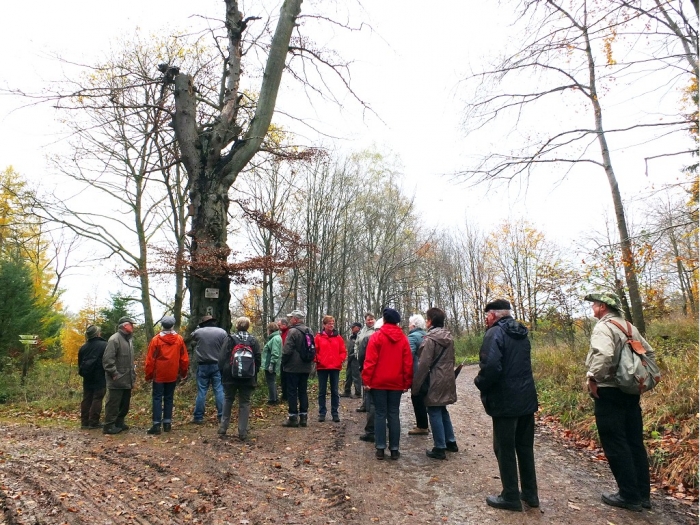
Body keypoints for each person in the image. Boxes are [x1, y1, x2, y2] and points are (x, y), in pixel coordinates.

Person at [584, 291, 654, 512]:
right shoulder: (629, 327)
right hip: (631, 392)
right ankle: (643, 496)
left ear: (603, 307)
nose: (592, 309)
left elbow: (603, 355)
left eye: (594, 305)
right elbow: (648, 353)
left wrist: (593, 378)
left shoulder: (604, 327)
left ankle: (628, 496)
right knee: (634, 442)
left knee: (615, 443)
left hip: (610, 391)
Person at [474, 299, 539, 512]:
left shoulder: (495, 333)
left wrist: (480, 382)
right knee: (524, 447)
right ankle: (530, 494)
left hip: (505, 401)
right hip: (526, 399)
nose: (485, 319)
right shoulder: (521, 332)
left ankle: (510, 495)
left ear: (494, 315)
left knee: (504, 447)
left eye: (486, 315)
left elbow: (491, 366)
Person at [361, 308, 413, 460]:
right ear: (396, 321)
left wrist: (367, 380)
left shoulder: (376, 337)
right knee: (394, 414)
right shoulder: (403, 339)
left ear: (384, 320)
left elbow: (370, 361)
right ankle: (395, 449)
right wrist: (406, 382)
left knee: (379, 414)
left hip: (378, 382)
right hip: (396, 383)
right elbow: (407, 363)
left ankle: (380, 448)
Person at [412, 308, 457, 459]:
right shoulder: (449, 337)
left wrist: (416, 385)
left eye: (427, 319)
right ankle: (451, 441)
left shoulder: (430, 339)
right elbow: (452, 359)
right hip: (447, 377)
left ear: (430, 321)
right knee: (442, 409)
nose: (426, 321)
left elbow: (424, 364)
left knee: (433, 410)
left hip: (434, 379)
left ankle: (439, 447)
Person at [218, 317, 261, 441]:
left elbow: (222, 358)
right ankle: (242, 431)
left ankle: (223, 427)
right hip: (248, 377)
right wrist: (253, 372)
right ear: (248, 326)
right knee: (245, 403)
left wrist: (223, 372)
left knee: (228, 399)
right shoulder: (253, 340)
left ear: (236, 326)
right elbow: (258, 358)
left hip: (230, 376)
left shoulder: (230, 339)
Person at [144, 316, 189, 435]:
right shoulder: (179, 339)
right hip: (172, 374)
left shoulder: (156, 340)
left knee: (157, 398)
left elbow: (150, 360)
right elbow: (184, 359)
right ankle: (167, 424)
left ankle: (156, 425)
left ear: (162, 325)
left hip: (159, 374)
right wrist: (183, 373)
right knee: (169, 398)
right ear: (172, 325)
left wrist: (148, 375)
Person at [102, 317, 137, 435]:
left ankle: (119, 422)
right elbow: (108, 360)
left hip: (127, 378)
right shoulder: (114, 339)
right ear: (125, 326)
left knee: (124, 403)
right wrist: (114, 373)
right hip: (116, 378)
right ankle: (109, 426)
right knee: (113, 403)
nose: (133, 326)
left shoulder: (129, 340)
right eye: (131, 325)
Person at [190, 315, 226, 424]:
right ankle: (221, 416)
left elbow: (191, 336)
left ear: (203, 323)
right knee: (219, 390)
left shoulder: (199, 332)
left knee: (202, 391)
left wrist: (198, 327)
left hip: (203, 365)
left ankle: (198, 417)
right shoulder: (222, 332)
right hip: (217, 364)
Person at [280, 310, 314, 428]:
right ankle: (304, 417)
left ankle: (293, 417)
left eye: (291, 318)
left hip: (293, 367)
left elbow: (287, 349)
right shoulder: (309, 330)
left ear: (295, 319)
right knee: (303, 391)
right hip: (305, 366)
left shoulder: (292, 331)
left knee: (292, 392)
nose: (290, 320)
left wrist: (283, 361)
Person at [314, 315, 347, 422]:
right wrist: (318, 360)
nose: (331, 325)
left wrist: (339, 360)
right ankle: (322, 413)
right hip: (322, 368)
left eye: (333, 323)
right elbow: (314, 351)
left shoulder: (338, 338)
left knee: (335, 391)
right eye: (329, 323)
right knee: (322, 391)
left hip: (335, 368)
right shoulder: (318, 337)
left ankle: (335, 413)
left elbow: (343, 351)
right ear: (324, 325)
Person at [357, 318, 383, 443]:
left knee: (372, 404)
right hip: (390, 378)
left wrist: (363, 372)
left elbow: (362, 357)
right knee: (390, 407)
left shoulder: (369, 339)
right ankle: (384, 430)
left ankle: (371, 431)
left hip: (373, 375)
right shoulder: (398, 339)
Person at [77, 325, 107, 430]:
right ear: (98, 333)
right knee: (97, 398)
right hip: (100, 376)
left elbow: (80, 364)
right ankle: (94, 422)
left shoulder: (83, 347)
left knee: (86, 398)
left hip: (87, 376)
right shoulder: (104, 345)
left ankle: (84, 422)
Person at [407, 314, 429, 436]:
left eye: (410, 324)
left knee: (417, 397)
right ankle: (424, 424)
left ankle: (422, 426)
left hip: (416, 373)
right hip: (428, 372)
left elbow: (408, 357)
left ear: (414, 325)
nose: (409, 326)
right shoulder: (426, 335)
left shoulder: (412, 337)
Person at [355, 313, 377, 412]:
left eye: (372, 319)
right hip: (362, 360)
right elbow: (357, 344)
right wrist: (356, 354)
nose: (370, 321)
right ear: (365, 320)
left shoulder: (377, 330)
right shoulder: (362, 331)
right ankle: (365, 404)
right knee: (364, 382)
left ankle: (371, 405)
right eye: (368, 319)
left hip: (372, 360)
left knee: (371, 383)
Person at [262, 321, 282, 404]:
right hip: (270, 363)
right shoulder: (276, 338)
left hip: (271, 364)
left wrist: (271, 364)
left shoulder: (275, 339)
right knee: (271, 381)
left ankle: (273, 399)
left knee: (271, 381)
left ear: (270, 330)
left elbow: (275, 352)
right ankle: (274, 397)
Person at [341, 322, 363, 398]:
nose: (352, 328)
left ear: (358, 328)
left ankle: (358, 393)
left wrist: (354, 355)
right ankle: (347, 391)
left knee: (356, 376)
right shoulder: (351, 337)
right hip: (350, 358)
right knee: (348, 375)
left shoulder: (360, 337)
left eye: (354, 327)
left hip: (356, 358)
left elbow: (360, 349)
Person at [278, 318, 290, 402]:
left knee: (286, 378)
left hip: (287, 359)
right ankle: (285, 394)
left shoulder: (288, 333)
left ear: (284, 325)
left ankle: (287, 395)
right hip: (283, 358)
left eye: (279, 325)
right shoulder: (282, 333)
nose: (278, 327)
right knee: (283, 378)